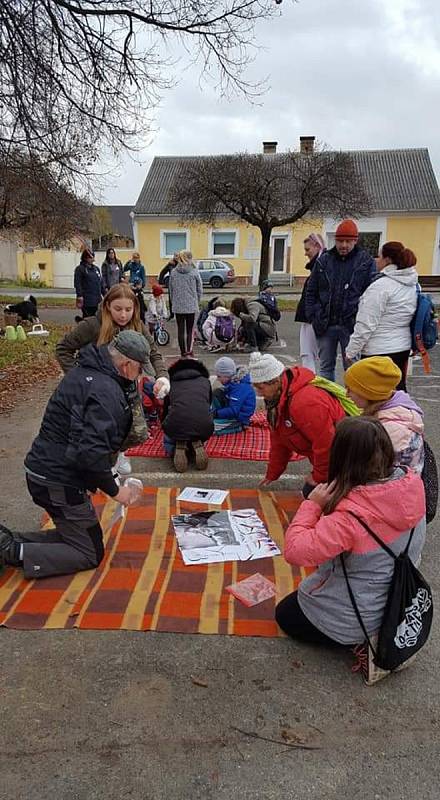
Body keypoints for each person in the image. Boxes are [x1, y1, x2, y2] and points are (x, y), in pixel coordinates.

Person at [275, 416, 426, 685]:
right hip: (401, 599)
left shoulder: (351, 518)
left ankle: (359, 642)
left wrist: (313, 505)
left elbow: (295, 551)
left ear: (341, 459)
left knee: (285, 613)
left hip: (356, 617)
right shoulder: (414, 483)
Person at [0, 331, 155, 579]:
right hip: (57, 480)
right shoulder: (107, 391)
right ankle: (12, 550)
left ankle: (10, 540)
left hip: (45, 468)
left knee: (78, 535)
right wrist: (117, 492)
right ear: (127, 365)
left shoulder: (87, 370)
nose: (141, 376)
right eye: (140, 370)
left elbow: (86, 443)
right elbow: (91, 454)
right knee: (90, 552)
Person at [55, 283, 170, 475]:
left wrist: (162, 378)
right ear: (107, 305)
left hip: (128, 389)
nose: (123, 315)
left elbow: (153, 354)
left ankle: (119, 454)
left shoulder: (138, 326)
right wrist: (79, 378)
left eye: (128, 309)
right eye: (118, 309)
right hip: (98, 392)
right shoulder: (92, 325)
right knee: (100, 433)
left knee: (133, 431)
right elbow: (63, 349)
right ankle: (106, 473)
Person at [249, 352, 348, 497]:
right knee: (311, 496)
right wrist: (273, 472)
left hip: (345, 457)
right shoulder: (277, 397)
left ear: (275, 381)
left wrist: (318, 477)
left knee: (313, 498)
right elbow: (279, 439)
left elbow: (326, 443)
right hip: (331, 458)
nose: (259, 393)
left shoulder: (304, 402)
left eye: (260, 388)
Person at [305, 220, 377, 381]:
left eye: (348, 241)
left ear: (355, 240)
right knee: (325, 369)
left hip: (351, 326)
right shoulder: (323, 261)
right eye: (340, 241)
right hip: (325, 324)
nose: (343, 245)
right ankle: (328, 403)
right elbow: (311, 290)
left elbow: (372, 293)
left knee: (353, 370)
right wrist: (313, 315)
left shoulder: (365, 261)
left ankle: (352, 404)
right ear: (335, 240)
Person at [345, 242, 418, 390]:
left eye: (379, 256)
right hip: (403, 348)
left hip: (377, 351)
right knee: (397, 394)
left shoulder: (380, 287)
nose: (376, 260)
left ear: (388, 260)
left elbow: (366, 324)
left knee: (375, 397)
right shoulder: (413, 284)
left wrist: (351, 351)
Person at [345, 357, 424, 474]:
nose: (346, 395)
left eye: (350, 389)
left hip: (395, 489)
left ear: (368, 393)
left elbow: (379, 476)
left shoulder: (391, 430)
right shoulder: (396, 405)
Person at [162, 357, 214, 472]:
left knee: (168, 438)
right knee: (197, 422)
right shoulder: (205, 381)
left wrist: (164, 424)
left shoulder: (171, 382)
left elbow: (166, 408)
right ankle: (196, 443)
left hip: (177, 426)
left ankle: (178, 447)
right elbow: (208, 404)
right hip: (203, 426)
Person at [295, 233, 326, 372]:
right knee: (310, 354)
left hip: (313, 318)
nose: (306, 253)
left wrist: (312, 314)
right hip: (311, 317)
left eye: (308, 249)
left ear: (317, 246)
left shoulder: (321, 266)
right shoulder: (318, 266)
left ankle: (310, 384)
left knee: (308, 354)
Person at [168, 250, 203, 357]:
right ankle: (189, 351)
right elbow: (199, 289)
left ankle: (183, 352)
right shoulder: (194, 272)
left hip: (178, 305)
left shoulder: (174, 272)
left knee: (180, 330)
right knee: (189, 330)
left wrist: (173, 302)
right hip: (191, 305)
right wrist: (197, 301)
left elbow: (171, 290)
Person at [211, 356, 257, 435]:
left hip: (239, 418)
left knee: (210, 427)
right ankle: (214, 416)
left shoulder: (239, 387)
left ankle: (239, 426)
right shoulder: (234, 383)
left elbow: (234, 411)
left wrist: (215, 414)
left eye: (219, 376)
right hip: (234, 410)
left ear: (227, 375)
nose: (217, 379)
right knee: (216, 393)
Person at [74, 248, 103, 318]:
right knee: (88, 318)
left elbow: (100, 282)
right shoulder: (80, 269)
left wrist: (105, 294)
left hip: (97, 300)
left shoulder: (96, 269)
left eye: (93, 257)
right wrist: (79, 295)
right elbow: (77, 283)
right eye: (90, 257)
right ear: (85, 258)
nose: (92, 259)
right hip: (87, 300)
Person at [158, 253, 178, 319]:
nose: (176, 257)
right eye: (175, 256)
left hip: (180, 285)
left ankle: (178, 314)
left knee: (178, 300)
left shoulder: (181, 264)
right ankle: (172, 314)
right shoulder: (170, 264)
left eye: (177, 256)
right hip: (171, 285)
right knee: (171, 300)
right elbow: (163, 272)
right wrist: (161, 282)